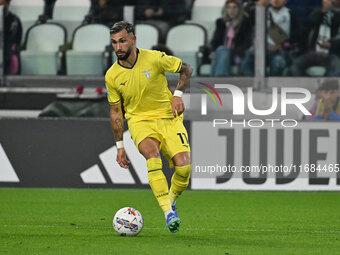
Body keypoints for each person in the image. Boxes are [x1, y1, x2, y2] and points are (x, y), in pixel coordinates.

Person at [105, 21, 193, 233]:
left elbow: (186, 69)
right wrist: (119, 146)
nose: (118, 47)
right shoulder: (112, 76)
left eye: (123, 41)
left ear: (133, 40)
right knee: (152, 155)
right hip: (140, 121)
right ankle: (168, 213)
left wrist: (177, 96)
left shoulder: (154, 58)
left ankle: (170, 200)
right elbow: (116, 112)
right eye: (114, 43)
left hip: (168, 118)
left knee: (184, 168)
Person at [241, 0, 301, 76]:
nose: (276, 0)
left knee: (277, 62)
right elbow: (244, 13)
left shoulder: (290, 15)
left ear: (285, 1)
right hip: (259, 50)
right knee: (246, 64)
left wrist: (282, 45)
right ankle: (254, 86)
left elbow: (297, 38)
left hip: (280, 52)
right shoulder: (260, 12)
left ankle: (271, 87)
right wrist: (259, 5)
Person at [210, 0, 253, 76]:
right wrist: (213, 52)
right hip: (222, 53)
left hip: (237, 54)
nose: (231, 10)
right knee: (221, 52)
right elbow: (214, 42)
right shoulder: (221, 22)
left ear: (239, 9)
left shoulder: (245, 22)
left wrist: (231, 51)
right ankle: (220, 79)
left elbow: (247, 42)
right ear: (226, 9)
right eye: (229, 8)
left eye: (234, 8)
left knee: (220, 54)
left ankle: (218, 82)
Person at [1, 0, 22, 75]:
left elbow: (17, 42)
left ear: (8, 4)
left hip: (10, 60)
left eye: (2, 4)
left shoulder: (14, 21)